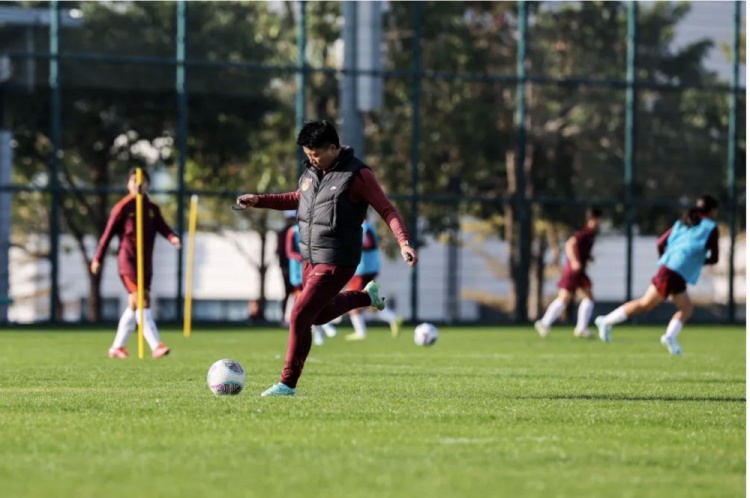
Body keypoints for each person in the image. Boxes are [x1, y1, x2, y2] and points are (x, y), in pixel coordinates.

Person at [236, 120, 418, 396]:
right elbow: (297, 198)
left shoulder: (358, 174)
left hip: (337, 258)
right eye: (307, 155)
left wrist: (403, 242)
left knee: (299, 314)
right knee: (317, 316)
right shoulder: (311, 173)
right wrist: (258, 200)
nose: (311, 159)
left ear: (333, 148)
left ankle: (287, 384)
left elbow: (386, 209)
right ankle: (366, 298)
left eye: (316, 154)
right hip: (310, 258)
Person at [594, 194, 720, 355]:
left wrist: (667, 260)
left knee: (686, 308)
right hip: (672, 273)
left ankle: (669, 337)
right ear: (712, 210)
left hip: (670, 271)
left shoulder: (683, 221)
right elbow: (714, 258)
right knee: (646, 304)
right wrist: (694, 261)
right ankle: (606, 321)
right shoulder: (711, 227)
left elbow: (660, 243)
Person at [90, 168, 181, 359]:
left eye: (143, 181)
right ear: (128, 184)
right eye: (134, 181)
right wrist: (98, 257)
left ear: (148, 184)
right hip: (128, 261)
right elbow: (107, 234)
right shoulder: (122, 207)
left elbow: (163, 228)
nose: (139, 184)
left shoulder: (152, 208)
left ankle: (117, 347)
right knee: (141, 299)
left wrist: (172, 237)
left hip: (146, 263)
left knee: (135, 303)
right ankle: (156, 345)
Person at [535, 207, 603, 339]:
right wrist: (574, 261)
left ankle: (581, 328)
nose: (599, 223)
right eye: (598, 220)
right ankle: (544, 323)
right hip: (573, 272)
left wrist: (588, 257)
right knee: (564, 298)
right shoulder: (583, 234)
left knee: (588, 298)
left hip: (579, 272)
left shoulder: (590, 235)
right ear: (592, 220)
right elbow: (569, 244)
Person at [345, 217, 403, 341]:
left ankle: (362, 331)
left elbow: (370, 243)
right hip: (366, 269)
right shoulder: (365, 227)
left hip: (364, 270)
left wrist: (353, 245)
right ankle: (392, 318)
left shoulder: (365, 227)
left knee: (350, 298)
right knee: (366, 300)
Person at [285, 222, 336, 345]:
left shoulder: (314, 229)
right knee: (304, 304)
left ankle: (324, 325)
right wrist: (303, 257)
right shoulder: (293, 231)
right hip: (298, 272)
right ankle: (319, 331)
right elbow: (289, 251)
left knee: (315, 299)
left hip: (312, 269)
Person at [277, 210, 297, 326]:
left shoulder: (297, 231)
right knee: (287, 292)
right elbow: (281, 251)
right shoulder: (284, 233)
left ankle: (295, 316)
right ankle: (283, 318)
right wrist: (283, 267)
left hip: (296, 267)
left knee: (297, 292)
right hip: (287, 267)